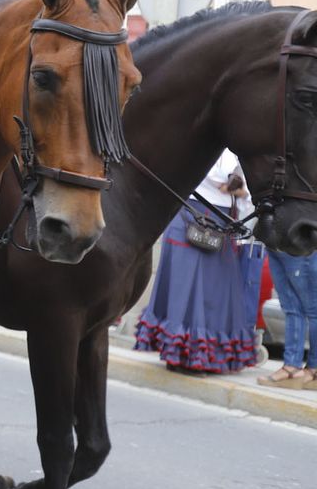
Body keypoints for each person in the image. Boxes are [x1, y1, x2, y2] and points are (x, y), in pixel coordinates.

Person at [134, 150, 263, 373]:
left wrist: (239, 189)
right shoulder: (204, 137)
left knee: (213, 291)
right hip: (192, 211)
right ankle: (183, 354)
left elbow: (239, 185)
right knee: (187, 286)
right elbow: (219, 176)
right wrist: (236, 185)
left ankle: (199, 355)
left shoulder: (237, 145)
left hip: (219, 218)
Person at [259, 249, 317, 388]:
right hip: (274, 241)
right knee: (291, 308)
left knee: (313, 309)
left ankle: (312, 369)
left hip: (299, 240)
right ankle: (293, 368)